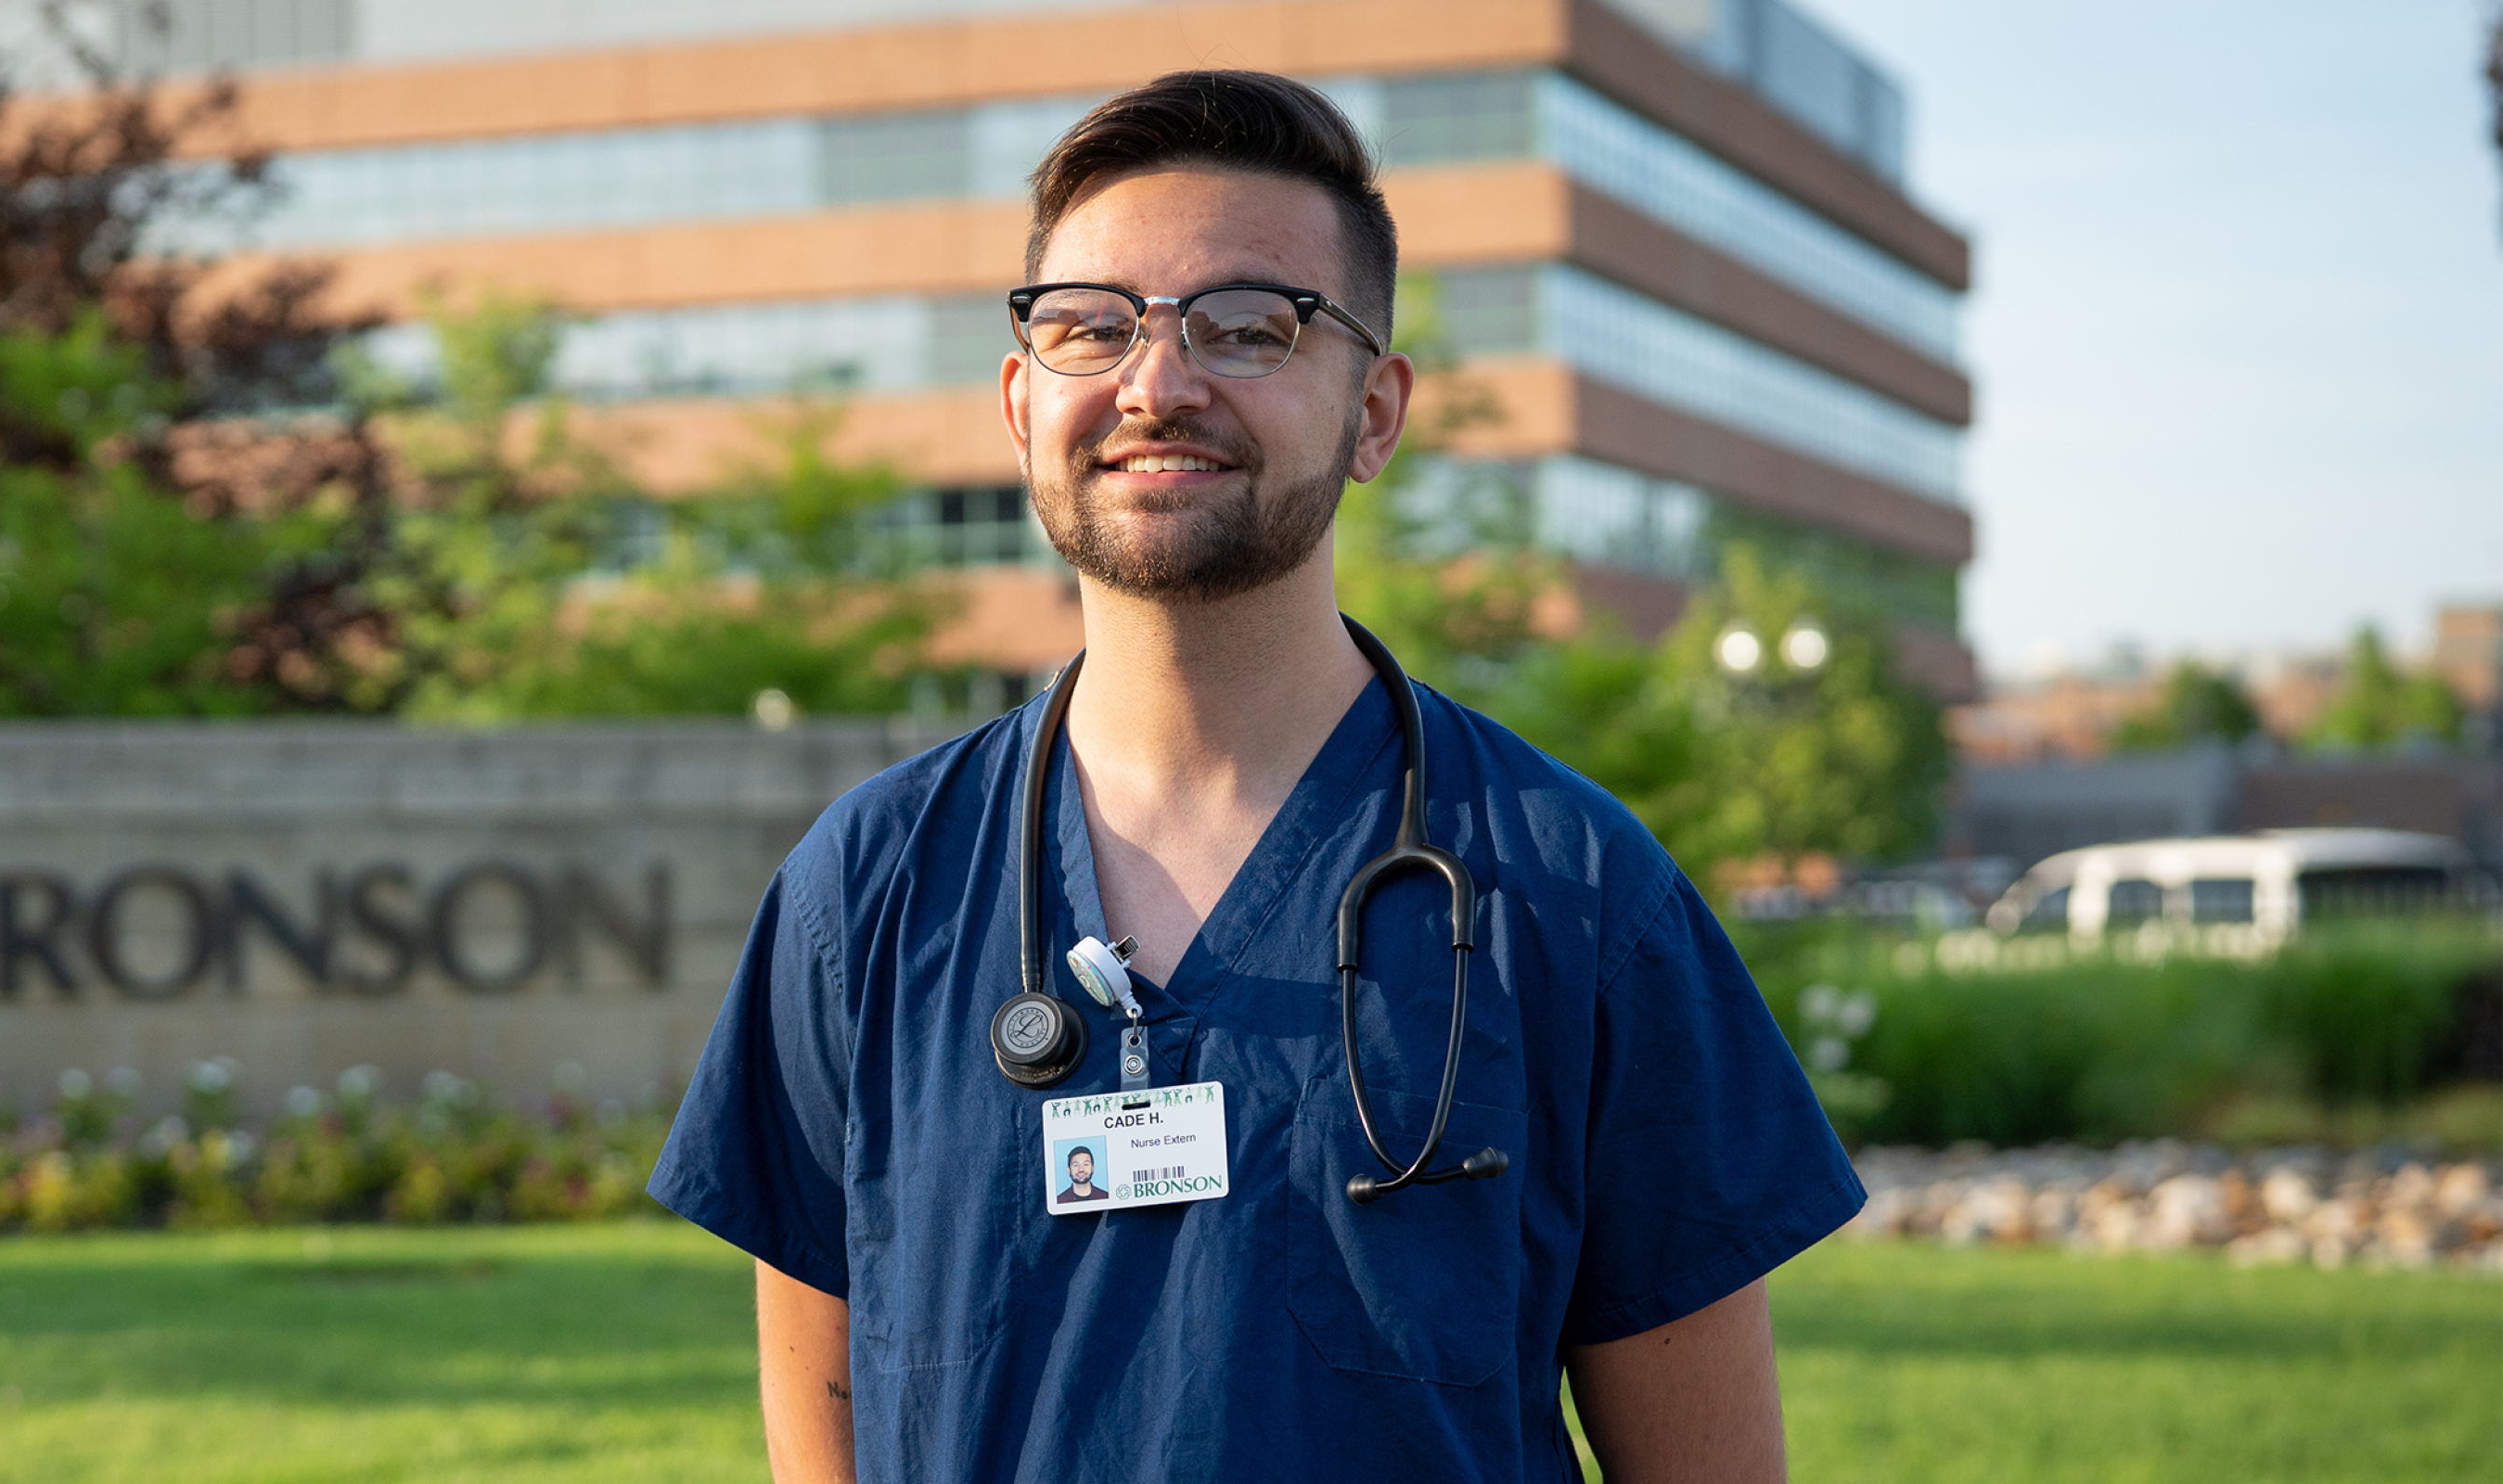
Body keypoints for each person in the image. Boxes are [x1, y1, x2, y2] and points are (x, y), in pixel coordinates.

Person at [648, 70, 1860, 1483]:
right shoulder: (862, 895)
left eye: (1248, 327)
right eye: (1092, 327)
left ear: (1376, 412)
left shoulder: (1580, 896)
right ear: (1019, 398)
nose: (1157, 385)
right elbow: (826, 1433)